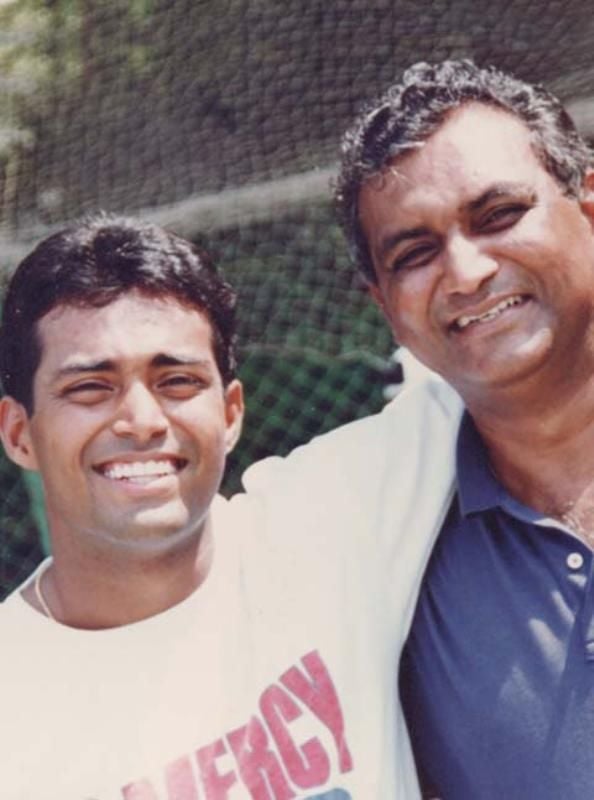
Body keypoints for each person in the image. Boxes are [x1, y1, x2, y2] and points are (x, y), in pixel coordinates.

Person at [0, 213, 445, 799]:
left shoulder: (336, 522)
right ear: (19, 433)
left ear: (231, 413)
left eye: (177, 381)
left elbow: (517, 366)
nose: (142, 421)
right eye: (90, 388)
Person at [329, 58, 594, 799]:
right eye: (415, 254)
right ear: (384, 304)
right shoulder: (383, 555)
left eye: (499, 215)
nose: (468, 270)